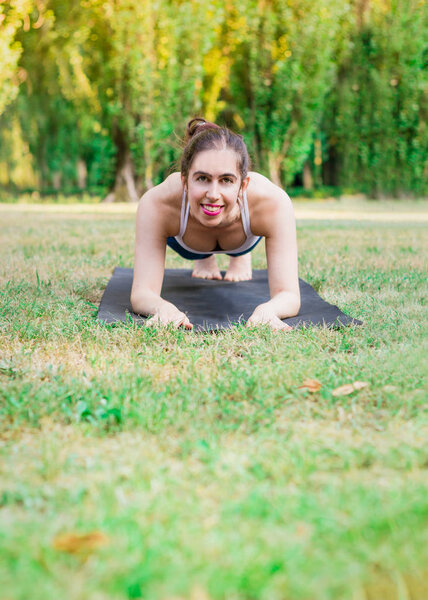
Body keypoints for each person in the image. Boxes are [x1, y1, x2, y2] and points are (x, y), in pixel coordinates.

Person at [131, 117, 300, 331]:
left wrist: (268, 311)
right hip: (187, 240)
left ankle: (239, 255)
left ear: (243, 185)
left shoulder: (272, 202)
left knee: (232, 233)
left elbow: (289, 295)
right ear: (184, 180)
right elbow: (142, 293)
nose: (213, 194)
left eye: (227, 180)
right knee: (199, 252)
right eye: (202, 178)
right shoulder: (158, 203)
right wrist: (162, 308)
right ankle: (205, 257)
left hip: (243, 234)